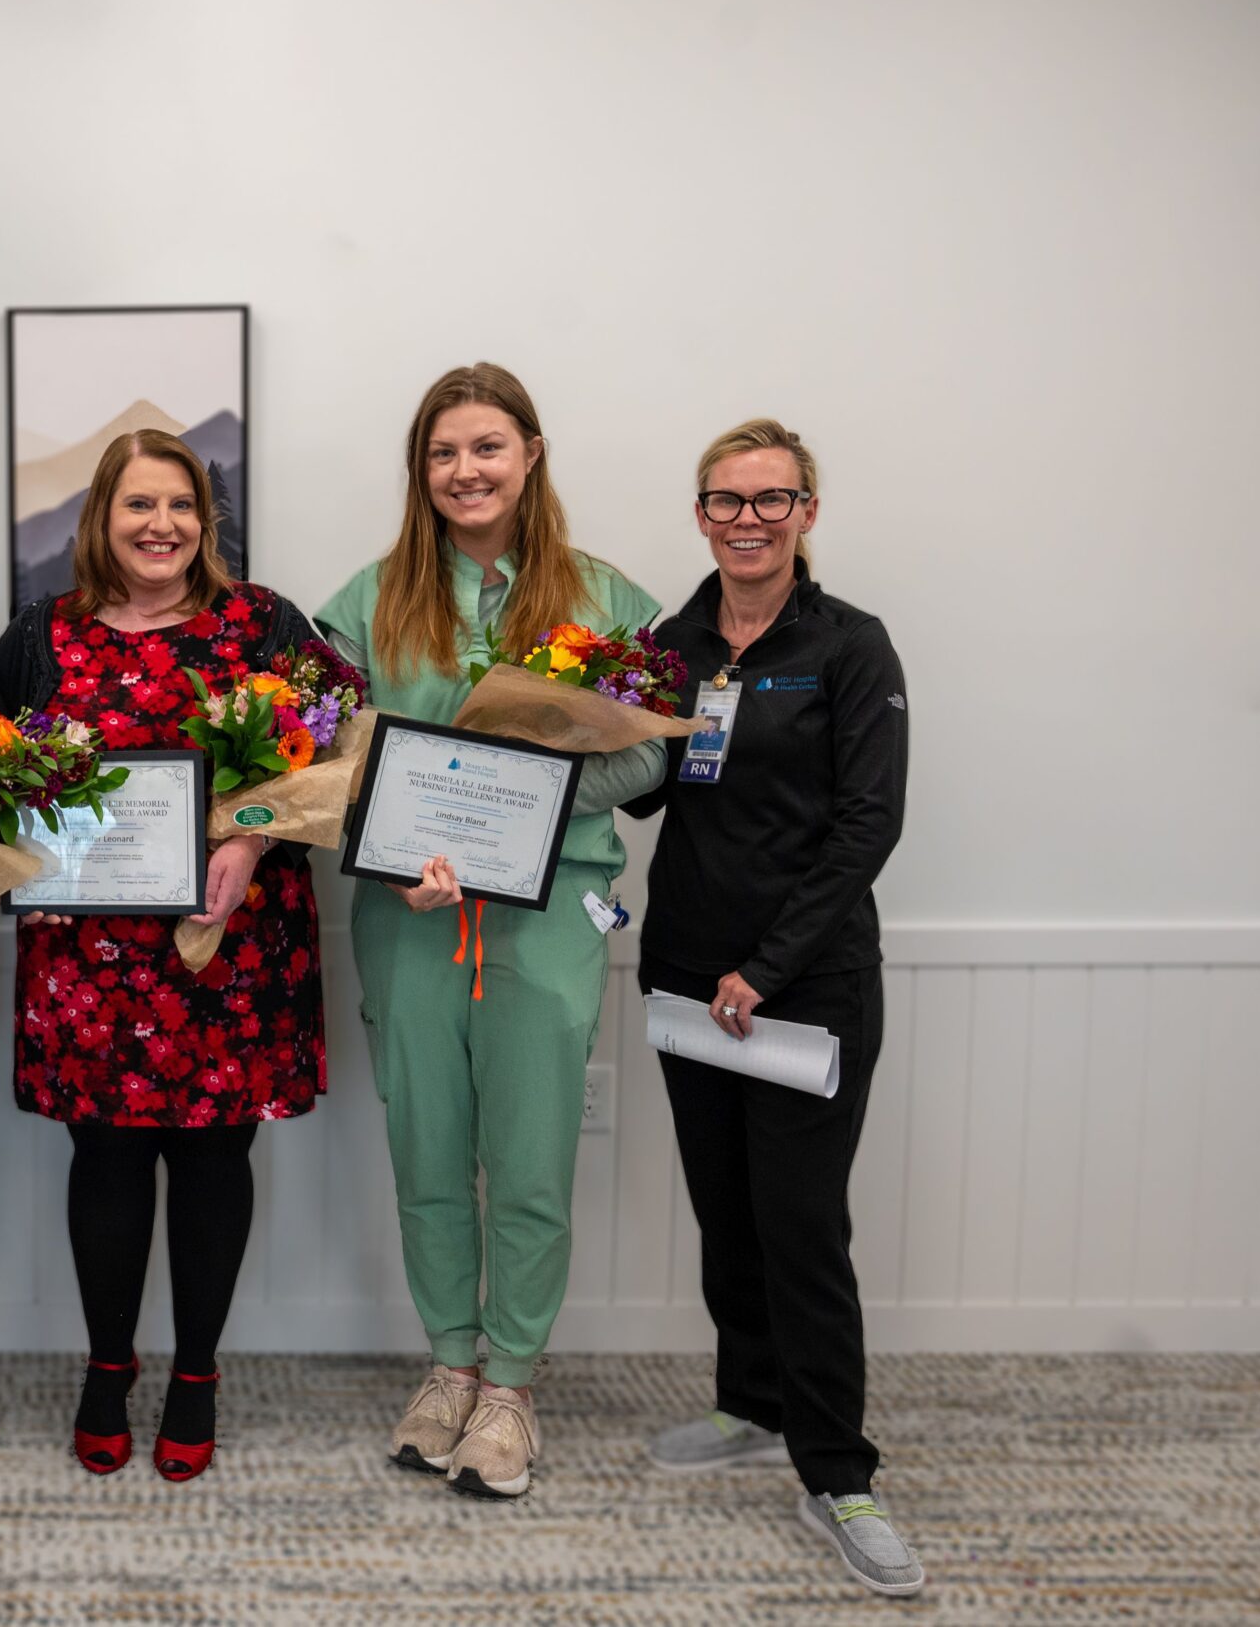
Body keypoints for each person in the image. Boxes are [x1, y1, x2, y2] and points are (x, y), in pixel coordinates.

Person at [315, 362, 664, 1500]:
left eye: (485, 447)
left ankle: (509, 1385)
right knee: (425, 1155)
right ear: (421, 471)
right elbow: (319, 761)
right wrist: (384, 839)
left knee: (525, 1158)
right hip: (408, 914)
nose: (464, 470)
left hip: (548, 909)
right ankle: (446, 1366)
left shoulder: (606, 600)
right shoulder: (366, 601)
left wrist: (534, 800)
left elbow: (654, 750)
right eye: (442, 452)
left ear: (530, 453)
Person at [0, 428, 329, 1484]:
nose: (161, 525)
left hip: (228, 944)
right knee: (106, 1158)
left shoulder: (263, 622)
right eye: (139, 504)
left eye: (180, 505)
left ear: (205, 520)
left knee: (215, 1159)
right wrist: (18, 870)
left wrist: (253, 833)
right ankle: (105, 1365)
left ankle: (195, 1372)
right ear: (103, 517)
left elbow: (342, 733)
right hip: (89, 956)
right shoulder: (43, 632)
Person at [623, 420, 921, 1596]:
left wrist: (772, 961)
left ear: (806, 511)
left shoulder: (849, 645)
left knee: (801, 1227)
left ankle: (838, 1472)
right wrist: (546, 736)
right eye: (724, 499)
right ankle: (748, 1401)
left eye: (771, 498)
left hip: (808, 986)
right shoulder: (669, 640)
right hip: (687, 976)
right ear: (699, 512)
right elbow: (643, 792)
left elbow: (868, 823)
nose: (746, 518)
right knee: (727, 1212)